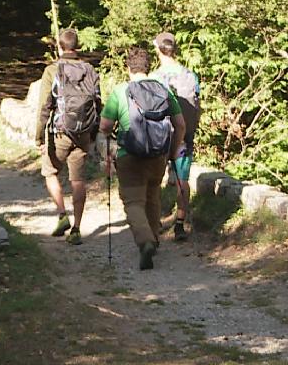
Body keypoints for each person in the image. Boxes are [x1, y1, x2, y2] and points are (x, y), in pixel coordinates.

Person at [99, 46, 185, 270]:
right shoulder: (164, 89)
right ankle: (155, 239)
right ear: (149, 67)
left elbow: (105, 127)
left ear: (128, 68)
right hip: (158, 154)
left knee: (133, 201)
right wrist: (173, 152)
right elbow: (180, 124)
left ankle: (145, 241)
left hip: (130, 155)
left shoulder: (120, 91)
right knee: (153, 195)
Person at [35, 30, 102, 245]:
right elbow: (98, 103)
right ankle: (77, 228)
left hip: (60, 133)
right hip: (83, 133)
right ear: (78, 46)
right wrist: (93, 133)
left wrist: (39, 138)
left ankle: (62, 214)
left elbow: (45, 106)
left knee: (50, 171)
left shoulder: (52, 70)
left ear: (60, 47)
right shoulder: (90, 69)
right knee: (78, 180)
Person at [151, 31, 201, 242]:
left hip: (159, 138)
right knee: (183, 180)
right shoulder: (190, 75)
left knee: (153, 181)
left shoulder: (153, 78)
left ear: (157, 49)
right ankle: (180, 223)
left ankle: (154, 223)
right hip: (183, 138)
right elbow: (197, 106)